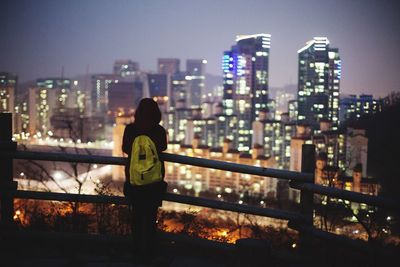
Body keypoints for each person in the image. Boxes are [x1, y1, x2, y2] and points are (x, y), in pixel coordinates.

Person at [122, 98, 168, 264]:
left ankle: (136, 251)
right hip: (154, 182)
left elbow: (125, 149)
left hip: (134, 181)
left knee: (136, 216)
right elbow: (163, 147)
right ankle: (149, 253)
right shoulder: (159, 131)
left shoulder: (130, 129)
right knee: (150, 218)